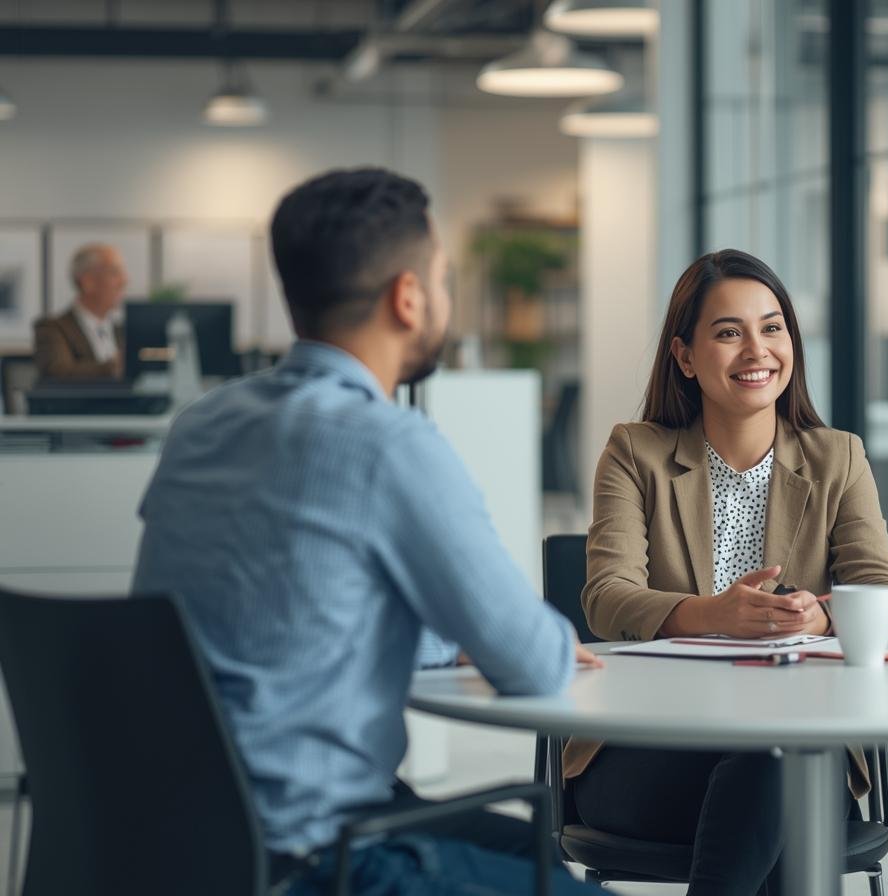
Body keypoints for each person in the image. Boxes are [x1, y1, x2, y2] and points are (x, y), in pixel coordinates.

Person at [131, 167, 604, 896]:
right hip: (319, 855)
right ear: (407, 299)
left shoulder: (201, 427)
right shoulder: (387, 445)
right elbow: (535, 666)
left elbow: (302, 621)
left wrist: (452, 637)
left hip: (177, 838)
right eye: (443, 279)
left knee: (529, 853)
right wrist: (527, 637)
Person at [570, 248, 888, 895]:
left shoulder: (838, 457)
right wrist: (713, 616)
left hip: (793, 744)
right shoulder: (635, 452)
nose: (757, 350)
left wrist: (825, 613)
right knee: (784, 801)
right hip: (648, 747)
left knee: (778, 767)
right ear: (685, 356)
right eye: (729, 332)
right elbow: (607, 597)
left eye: (772, 327)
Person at [34, 243, 127, 380]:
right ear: (88, 282)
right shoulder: (52, 329)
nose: (124, 281)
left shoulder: (122, 330)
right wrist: (114, 367)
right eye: (114, 273)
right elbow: (58, 373)